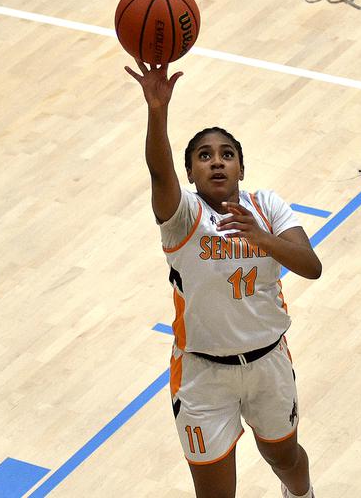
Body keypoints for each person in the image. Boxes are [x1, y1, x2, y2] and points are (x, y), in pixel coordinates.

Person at [126, 59, 322, 498]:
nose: (217, 162)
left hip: (268, 362)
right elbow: (159, 172)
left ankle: (302, 495)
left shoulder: (267, 206)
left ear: (241, 169)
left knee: (284, 457)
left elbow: (311, 264)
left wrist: (261, 237)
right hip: (202, 374)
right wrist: (157, 112)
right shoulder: (184, 218)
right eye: (204, 156)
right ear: (191, 174)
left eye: (227, 155)